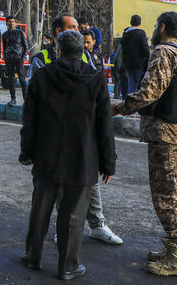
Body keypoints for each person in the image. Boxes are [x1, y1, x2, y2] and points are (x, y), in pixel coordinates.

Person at [19, 30, 116, 281]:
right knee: (73, 215)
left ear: (58, 50)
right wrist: (109, 163)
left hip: (46, 155)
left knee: (40, 208)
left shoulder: (42, 77)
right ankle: (68, 266)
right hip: (82, 159)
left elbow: (30, 120)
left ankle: (32, 256)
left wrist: (26, 152)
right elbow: (104, 126)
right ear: (82, 51)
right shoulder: (96, 79)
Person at [29, 14, 123, 246]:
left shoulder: (86, 57)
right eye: (72, 28)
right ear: (58, 32)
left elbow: (96, 99)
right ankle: (64, 229)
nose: (79, 31)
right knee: (59, 186)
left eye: (79, 29)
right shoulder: (41, 59)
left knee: (89, 183)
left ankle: (97, 224)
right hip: (53, 136)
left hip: (82, 135)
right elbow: (33, 106)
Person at [113, 11, 177, 276]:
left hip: (167, 136)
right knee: (175, 192)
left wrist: (118, 108)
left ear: (162, 27)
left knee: (167, 195)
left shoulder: (164, 52)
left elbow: (149, 92)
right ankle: (175, 249)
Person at [2, 15, 29, 105]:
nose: (12, 23)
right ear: (7, 23)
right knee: (11, 80)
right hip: (9, 59)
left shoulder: (20, 33)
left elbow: (25, 46)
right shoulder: (4, 34)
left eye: (13, 21)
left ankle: (26, 100)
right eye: (10, 21)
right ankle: (13, 99)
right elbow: (5, 47)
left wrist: (23, 58)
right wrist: (5, 58)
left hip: (19, 59)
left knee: (22, 79)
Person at [121, 15, 150, 93]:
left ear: (131, 22)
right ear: (140, 23)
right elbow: (145, 49)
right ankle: (137, 104)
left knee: (131, 85)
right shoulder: (141, 33)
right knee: (140, 86)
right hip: (139, 64)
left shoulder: (125, 34)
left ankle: (129, 102)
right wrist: (148, 58)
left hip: (128, 64)